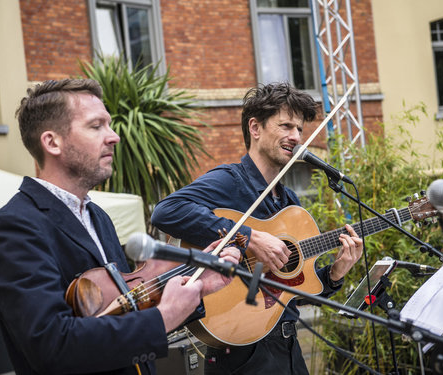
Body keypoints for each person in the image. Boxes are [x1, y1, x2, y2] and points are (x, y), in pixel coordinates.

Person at [0, 79, 240, 375]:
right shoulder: (13, 226)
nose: (115, 137)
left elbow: (130, 312)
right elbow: (52, 346)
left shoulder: (98, 217)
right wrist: (164, 317)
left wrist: (198, 284)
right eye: (96, 126)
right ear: (52, 142)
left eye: (108, 125)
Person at [151, 82, 364, 375]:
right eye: (286, 126)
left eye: (300, 130)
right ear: (255, 128)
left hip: (288, 350)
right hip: (241, 354)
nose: (296, 137)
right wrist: (248, 238)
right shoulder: (228, 181)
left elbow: (293, 290)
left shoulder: (290, 202)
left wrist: (335, 275)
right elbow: (166, 212)